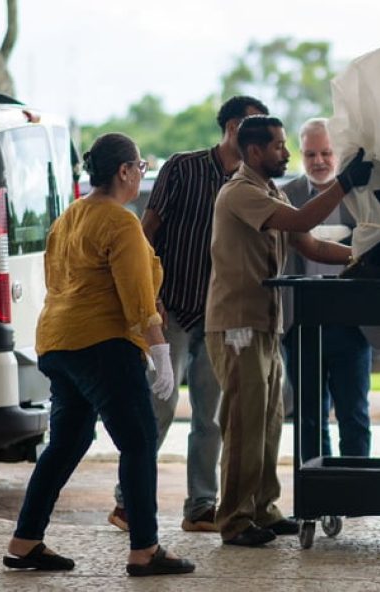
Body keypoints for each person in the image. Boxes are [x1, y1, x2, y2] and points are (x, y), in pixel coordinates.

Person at [4, 133, 194, 577]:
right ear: (125, 171)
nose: (140, 174)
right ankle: (144, 549)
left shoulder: (69, 216)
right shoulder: (120, 221)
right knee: (139, 440)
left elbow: (56, 281)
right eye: (140, 168)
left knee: (69, 441)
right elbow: (136, 295)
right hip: (102, 344)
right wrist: (160, 349)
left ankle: (25, 540)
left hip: (59, 341)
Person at [205, 115, 373, 546]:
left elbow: (313, 245)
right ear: (255, 151)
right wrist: (345, 183)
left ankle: (262, 507)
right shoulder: (240, 191)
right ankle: (236, 520)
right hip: (238, 324)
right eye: (280, 146)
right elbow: (301, 223)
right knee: (244, 422)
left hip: (267, 324)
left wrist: (365, 258)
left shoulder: (269, 191)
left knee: (269, 420)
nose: (287, 153)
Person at [108, 96, 269, 534]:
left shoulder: (253, 182)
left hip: (219, 315)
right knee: (158, 406)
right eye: (254, 126)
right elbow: (147, 231)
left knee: (210, 415)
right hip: (171, 307)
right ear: (233, 126)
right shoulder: (183, 167)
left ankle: (201, 506)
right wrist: (149, 297)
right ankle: (127, 502)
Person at [281, 118, 380, 459]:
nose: (318, 161)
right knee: (308, 416)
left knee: (354, 413)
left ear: (338, 153)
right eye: (310, 154)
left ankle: (355, 492)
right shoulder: (286, 196)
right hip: (303, 321)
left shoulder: (362, 197)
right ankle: (316, 494)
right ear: (301, 156)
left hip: (352, 321)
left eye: (325, 153)